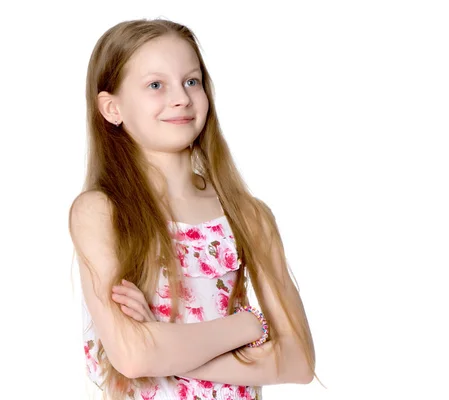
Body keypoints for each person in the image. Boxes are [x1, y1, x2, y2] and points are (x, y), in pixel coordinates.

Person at [69, 18, 316, 400]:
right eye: (156, 85)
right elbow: (133, 358)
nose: (181, 97)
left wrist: (163, 346)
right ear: (112, 108)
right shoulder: (101, 213)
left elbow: (299, 362)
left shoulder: (248, 216)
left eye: (191, 81)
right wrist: (249, 325)